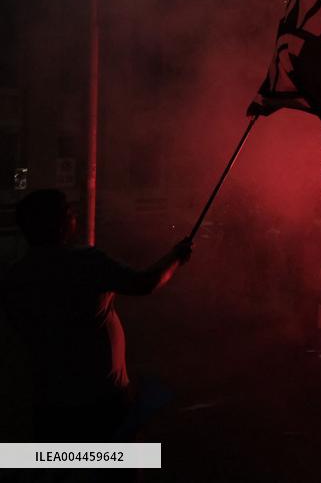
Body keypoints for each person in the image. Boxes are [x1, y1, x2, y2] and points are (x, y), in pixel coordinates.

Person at [0, 189, 192, 441]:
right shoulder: (85, 263)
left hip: (50, 403)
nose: (73, 216)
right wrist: (176, 256)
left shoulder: (15, 278)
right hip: (103, 401)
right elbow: (144, 283)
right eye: (68, 212)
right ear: (59, 223)